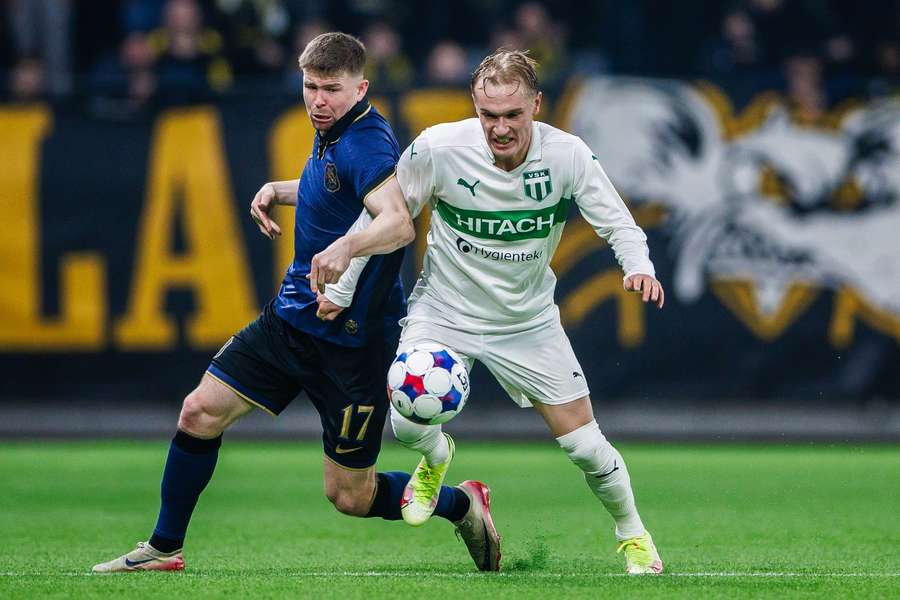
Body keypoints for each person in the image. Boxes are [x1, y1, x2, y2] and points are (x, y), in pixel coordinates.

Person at [92, 32, 498, 574]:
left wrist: (345, 248)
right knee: (199, 411)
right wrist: (278, 189)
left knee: (350, 496)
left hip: (355, 344)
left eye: (331, 89)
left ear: (362, 88)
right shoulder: (332, 133)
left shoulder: (366, 143)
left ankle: (462, 503)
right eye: (310, 87)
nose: (318, 100)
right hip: (290, 322)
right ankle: (164, 548)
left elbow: (398, 223)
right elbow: (333, 186)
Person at [316, 49, 665, 575]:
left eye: (513, 115)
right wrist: (340, 290)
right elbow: (381, 218)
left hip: (527, 322)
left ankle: (633, 533)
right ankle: (435, 458)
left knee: (587, 448)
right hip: (444, 312)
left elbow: (620, 224)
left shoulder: (567, 155)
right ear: (475, 107)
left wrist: (638, 265)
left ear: (537, 106)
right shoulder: (439, 148)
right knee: (408, 422)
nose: (500, 128)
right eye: (488, 115)